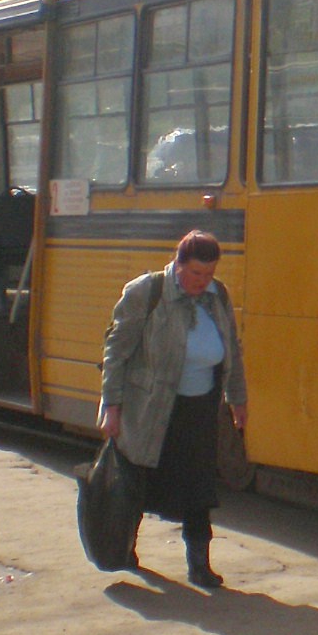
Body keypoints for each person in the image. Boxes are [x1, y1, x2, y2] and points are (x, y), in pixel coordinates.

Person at [97, 230, 247, 589]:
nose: (203, 282)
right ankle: (124, 547)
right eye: (196, 274)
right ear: (177, 265)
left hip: (199, 409)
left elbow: (233, 349)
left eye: (209, 274)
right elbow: (116, 353)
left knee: (199, 489)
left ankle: (199, 566)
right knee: (138, 483)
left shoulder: (217, 295)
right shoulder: (147, 293)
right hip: (150, 408)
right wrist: (111, 406)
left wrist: (237, 399)